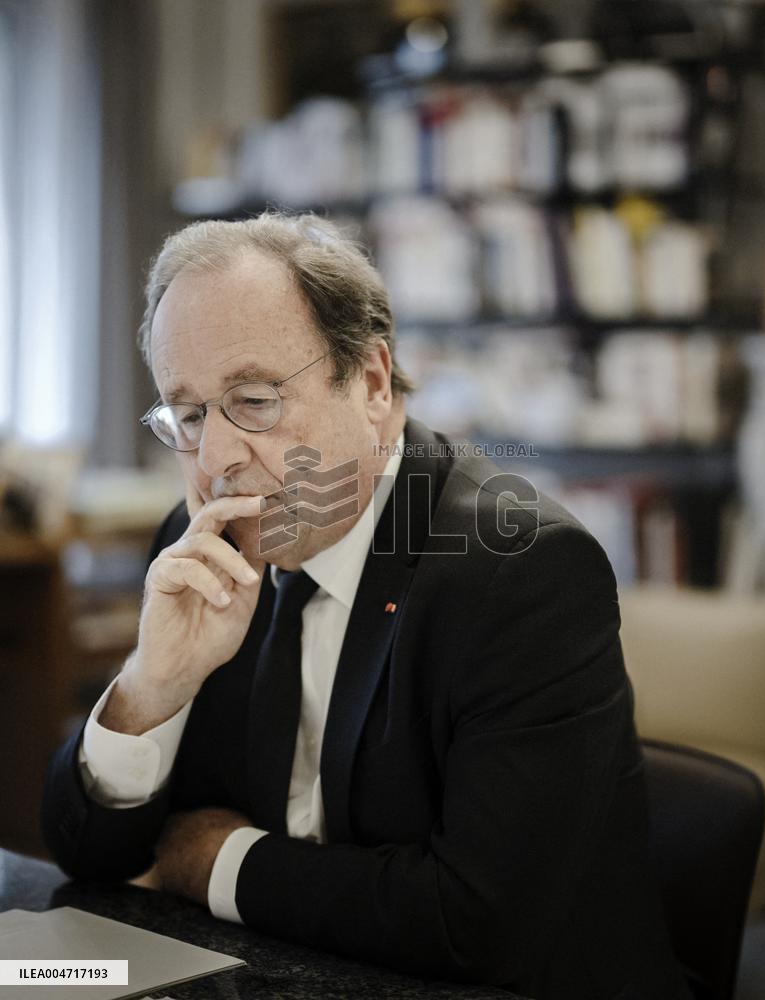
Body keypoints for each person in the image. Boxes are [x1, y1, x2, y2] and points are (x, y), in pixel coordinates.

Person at [41, 212, 691, 999]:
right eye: (187, 413)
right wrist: (153, 687)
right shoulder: (199, 539)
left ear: (373, 383)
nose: (213, 460)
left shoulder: (520, 573)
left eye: (252, 400)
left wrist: (212, 861)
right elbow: (91, 855)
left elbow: (477, 925)